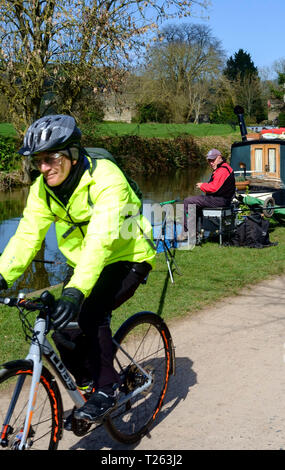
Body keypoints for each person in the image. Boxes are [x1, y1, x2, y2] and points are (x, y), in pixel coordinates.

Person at [0, 114, 156, 424]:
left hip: (126, 255)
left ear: (72, 154)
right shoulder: (42, 190)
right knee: (63, 328)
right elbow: (28, 236)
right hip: (83, 261)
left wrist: (75, 290)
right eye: (37, 161)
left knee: (90, 313)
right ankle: (89, 383)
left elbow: (101, 239)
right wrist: (3, 274)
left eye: (51, 158)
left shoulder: (107, 180)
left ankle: (107, 389)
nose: (43, 168)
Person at [181, 148, 236, 235]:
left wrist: (202, 185)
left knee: (188, 201)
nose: (211, 163)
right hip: (222, 199)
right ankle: (196, 232)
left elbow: (214, 188)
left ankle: (187, 232)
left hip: (220, 200)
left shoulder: (222, 170)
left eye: (213, 160)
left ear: (219, 157)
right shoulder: (223, 168)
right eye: (209, 161)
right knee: (196, 204)